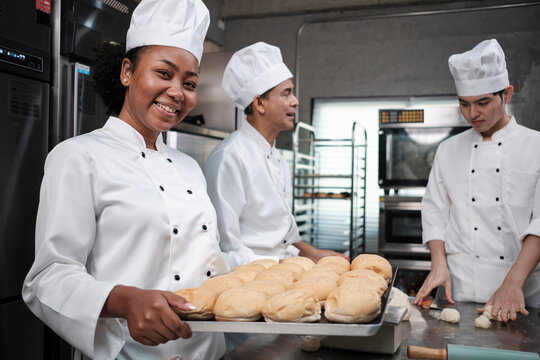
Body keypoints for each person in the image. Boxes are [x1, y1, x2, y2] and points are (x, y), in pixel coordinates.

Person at [22, 1, 229, 359]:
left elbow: (207, 261)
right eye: (164, 74)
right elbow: (48, 279)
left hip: (208, 351)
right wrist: (125, 300)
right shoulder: (79, 157)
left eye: (189, 82)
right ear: (127, 72)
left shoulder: (188, 166)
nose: (178, 92)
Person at [413, 39, 540, 322]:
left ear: (506, 94)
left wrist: (513, 282)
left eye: (482, 102)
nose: (472, 114)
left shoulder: (536, 146)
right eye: (464, 104)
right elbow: (434, 210)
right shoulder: (448, 149)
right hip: (459, 292)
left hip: (523, 295)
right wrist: (438, 266)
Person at [203, 42, 347, 270]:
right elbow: (225, 249)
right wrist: (283, 265)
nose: (295, 101)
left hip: (284, 269)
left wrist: (312, 254)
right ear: (260, 103)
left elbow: (282, 230)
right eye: (286, 94)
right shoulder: (229, 157)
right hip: (252, 279)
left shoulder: (277, 156)